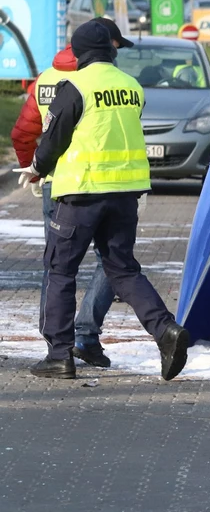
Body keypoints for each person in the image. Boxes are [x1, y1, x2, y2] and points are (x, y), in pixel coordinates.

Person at [14, 19, 189, 380]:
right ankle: (165, 331)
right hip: (125, 194)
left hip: (81, 193)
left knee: (61, 270)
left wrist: (35, 167)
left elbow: (54, 139)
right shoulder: (132, 86)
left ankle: (59, 355)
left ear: (78, 53)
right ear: (109, 50)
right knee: (122, 269)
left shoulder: (74, 86)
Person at [10, 46, 115, 368]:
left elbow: (23, 131)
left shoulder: (48, 77)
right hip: (101, 182)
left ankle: (56, 344)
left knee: (56, 266)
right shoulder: (102, 80)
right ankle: (86, 334)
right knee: (113, 262)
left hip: (53, 181)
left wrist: (30, 167)